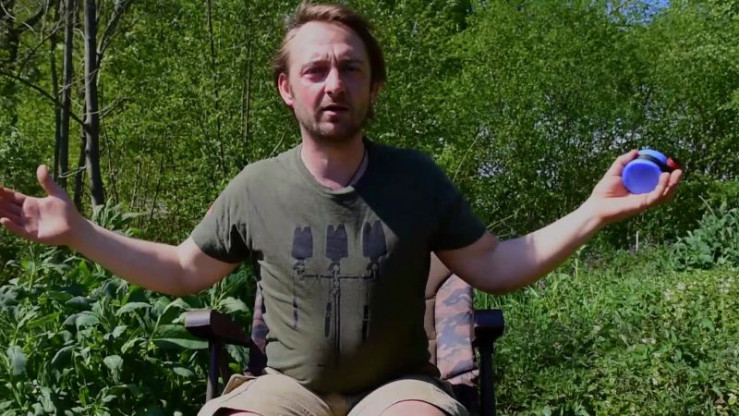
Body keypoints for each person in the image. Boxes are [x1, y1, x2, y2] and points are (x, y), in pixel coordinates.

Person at [0, 2, 682, 416]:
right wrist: (79, 233)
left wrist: (592, 212)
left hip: (399, 390)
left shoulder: (416, 180)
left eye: (350, 68)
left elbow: (498, 265)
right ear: (285, 89)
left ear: (373, 85)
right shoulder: (256, 187)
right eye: (315, 70)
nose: (334, 84)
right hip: (285, 391)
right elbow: (182, 270)